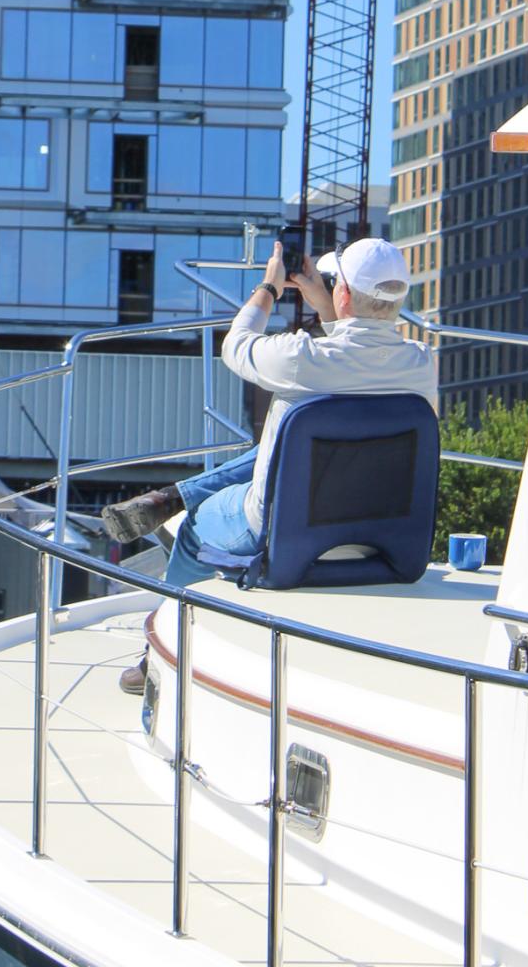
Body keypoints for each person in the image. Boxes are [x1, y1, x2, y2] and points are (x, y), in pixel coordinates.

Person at [105, 238, 436, 689]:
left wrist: (270, 286)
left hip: (284, 532)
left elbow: (236, 344)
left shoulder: (301, 358)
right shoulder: (421, 365)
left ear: (343, 294)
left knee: (195, 527)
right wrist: (326, 301)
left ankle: (159, 654)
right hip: (380, 537)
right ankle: (173, 496)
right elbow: (359, 350)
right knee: (285, 448)